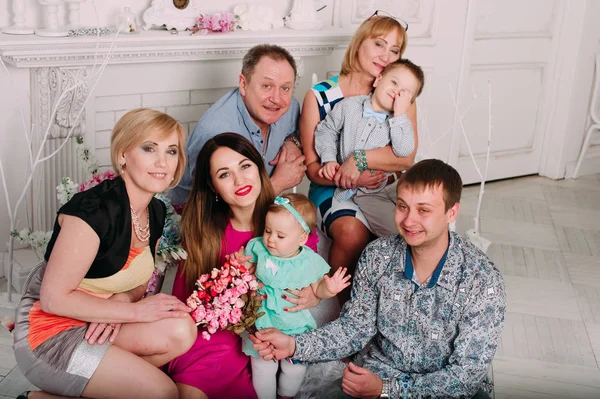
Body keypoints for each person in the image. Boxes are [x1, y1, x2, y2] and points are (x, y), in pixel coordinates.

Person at [251, 159, 507, 399]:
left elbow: (465, 376)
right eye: (403, 206)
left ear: (452, 213)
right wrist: (294, 345)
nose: (409, 220)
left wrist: (387, 390)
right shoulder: (378, 256)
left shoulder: (483, 280)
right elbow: (354, 328)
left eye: (424, 210)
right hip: (376, 376)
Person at [12, 108, 197, 399]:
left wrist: (118, 306)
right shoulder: (93, 210)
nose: (162, 162)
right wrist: (132, 312)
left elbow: (136, 283)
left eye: (171, 151)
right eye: (149, 148)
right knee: (162, 392)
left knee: (182, 330)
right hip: (48, 333)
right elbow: (53, 298)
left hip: (97, 320)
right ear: (123, 154)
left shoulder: (156, 211)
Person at [166, 133, 318, 399]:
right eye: (224, 174)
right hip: (218, 341)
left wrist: (313, 295)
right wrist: (230, 279)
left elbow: (309, 281)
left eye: (245, 166)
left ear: (259, 169)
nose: (239, 180)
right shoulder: (206, 234)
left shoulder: (290, 225)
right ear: (213, 186)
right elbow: (186, 304)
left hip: (274, 334)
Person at [299, 11, 418, 303]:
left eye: (394, 50)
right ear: (359, 42)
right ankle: (344, 312)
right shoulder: (321, 96)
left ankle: (394, 308)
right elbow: (312, 167)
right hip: (331, 188)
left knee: (409, 232)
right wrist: (346, 173)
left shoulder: (397, 94)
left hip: (381, 188)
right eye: (379, 44)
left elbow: (405, 158)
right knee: (352, 233)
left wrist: (360, 160)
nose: (386, 55)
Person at [233, 193, 350, 399]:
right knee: (262, 366)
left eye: (280, 235)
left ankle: (286, 395)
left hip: (294, 325)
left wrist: (329, 289)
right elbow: (247, 269)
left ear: (302, 239)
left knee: (294, 369)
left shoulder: (309, 261)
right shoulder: (258, 247)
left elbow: (317, 289)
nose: (270, 239)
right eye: (268, 230)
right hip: (263, 321)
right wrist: (241, 264)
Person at [169, 44, 306, 205]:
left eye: (285, 88)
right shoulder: (216, 134)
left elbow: (294, 130)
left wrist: (292, 142)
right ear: (243, 84)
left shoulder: (288, 108)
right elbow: (214, 209)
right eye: (266, 86)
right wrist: (277, 184)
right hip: (200, 217)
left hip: (259, 209)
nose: (276, 98)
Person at [315, 58, 424, 237]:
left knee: (421, 219)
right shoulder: (349, 106)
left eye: (404, 93)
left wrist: (399, 115)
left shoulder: (399, 122)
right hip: (370, 192)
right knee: (397, 232)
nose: (397, 92)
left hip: (397, 185)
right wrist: (329, 159)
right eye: (394, 82)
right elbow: (326, 130)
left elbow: (404, 150)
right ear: (378, 79)